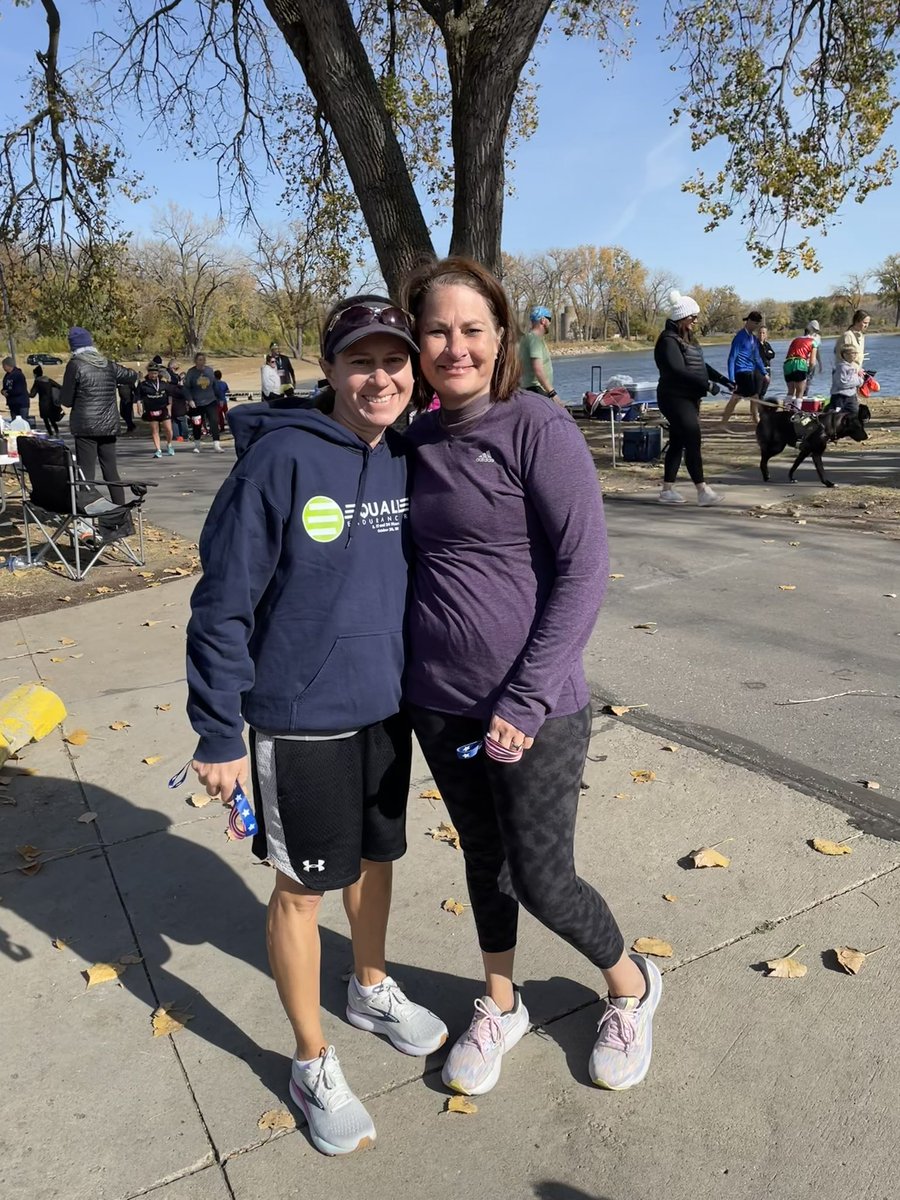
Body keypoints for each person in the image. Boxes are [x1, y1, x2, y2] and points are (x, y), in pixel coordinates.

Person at [186, 294, 447, 1157]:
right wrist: (219, 730)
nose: (381, 378)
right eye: (361, 362)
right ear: (329, 370)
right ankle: (310, 1059)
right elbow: (222, 603)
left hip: (385, 706)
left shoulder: (407, 453)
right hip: (297, 718)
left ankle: (369, 984)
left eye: (394, 362)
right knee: (303, 887)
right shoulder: (280, 461)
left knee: (378, 859)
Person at [402, 256, 662, 1099]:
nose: (454, 345)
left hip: (533, 709)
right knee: (485, 860)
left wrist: (525, 695)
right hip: (437, 704)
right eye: (437, 329)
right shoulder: (410, 440)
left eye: (471, 328)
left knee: (544, 875)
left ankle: (631, 984)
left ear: (501, 335)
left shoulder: (536, 426)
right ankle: (501, 1002)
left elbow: (586, 569)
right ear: (416, 339)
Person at [654, 290, 731, 505]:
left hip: (689, 397)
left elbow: (699, 365)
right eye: (693, 317)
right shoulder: (668, 341)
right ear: (682, 317)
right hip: (673, 398)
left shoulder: (685, 338)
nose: (696, 321)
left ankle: (667, 490)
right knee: (693, 439)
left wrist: (724, 380)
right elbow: (678, 370)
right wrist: (707, 385)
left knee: (678, 441)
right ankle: (702, 490)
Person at [59, 327, 137, 507]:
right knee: (111, 470)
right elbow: (130, 375)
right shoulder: (107, 364)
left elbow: (67, 400)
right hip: (108, 425)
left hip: (86, 426)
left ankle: (88, 515)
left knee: (86, 473)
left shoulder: (75, 364)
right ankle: (120, 512)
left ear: (73, 346)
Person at [722, 310, 768, 427]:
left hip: (750, 372)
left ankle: (725, 422)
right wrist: (731, 379)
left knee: (742, 398)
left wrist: (764, 372)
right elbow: (731, 358)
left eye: (758, 324)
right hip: (741, 372)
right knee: (752, 397)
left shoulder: (752, 338)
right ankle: (757, 422)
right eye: (756, 324)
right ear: (750, 321)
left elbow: (757, 357)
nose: (757, 326)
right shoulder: (740, 337)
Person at [518, 306, 562, 404]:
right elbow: (538, 369)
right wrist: (552, 393)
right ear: (543, 320)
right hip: (536, 390)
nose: (550, 323)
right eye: (549, 319)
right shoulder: (534, 340)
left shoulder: (529, 338)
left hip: (532, 390)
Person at [183, 352, 222, 453]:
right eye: (199, 360)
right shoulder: (191, 372)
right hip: (196, 402)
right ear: (195, 361)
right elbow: (186, 388)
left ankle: (216, 444)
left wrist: (220, 398)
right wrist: (190, 400)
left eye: (203, 360)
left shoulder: (209, 371)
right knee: (197, 424)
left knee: (214, 421)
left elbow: (215, 385)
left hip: (210, 400)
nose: (201, 362)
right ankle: (197, 445)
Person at [138, 364, 175, 457]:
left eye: (155, 373)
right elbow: (138, 397)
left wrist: (169, 408)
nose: (153, 375)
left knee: (169, 429)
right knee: (155, 430)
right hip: (151, 409)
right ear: (148, 373)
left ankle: (169, 444)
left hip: (163, 408)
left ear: (158, 373)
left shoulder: (163, 383)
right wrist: (139, 407)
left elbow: (170, 396)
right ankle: (158, 450)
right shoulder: (143, 384)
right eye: (151, 373)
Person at [782, 323, 821, 411]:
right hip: (800, 363)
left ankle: (786, 412)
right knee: (800, 393)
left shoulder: (795, 339)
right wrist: (809, 371)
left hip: (788, 363)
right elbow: (812, 362)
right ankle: (797, 413)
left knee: (790, 391)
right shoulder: (813, 341)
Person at [829, 345, 865, 415]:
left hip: (851, 396)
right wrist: (859, 380)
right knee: (836, 416)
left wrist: (861, 377)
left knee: (855, 413)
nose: (855, 355)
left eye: (856, 353)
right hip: (840, 396)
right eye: (853, 353)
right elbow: (842, 383)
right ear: (845, 354)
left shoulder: (853, 367)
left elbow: (857, 383)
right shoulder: (841, 367)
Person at [29, 365, 63, 436]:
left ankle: (51, 434)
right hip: (51, 403)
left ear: (35, 374)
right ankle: (57, 432)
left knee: (46, 420)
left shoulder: (37, 382)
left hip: (43, 404)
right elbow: (59, 387)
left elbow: (32, 395)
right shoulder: (48, 380)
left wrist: (25, 393)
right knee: (52, 419)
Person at [2, 357, 30, 421]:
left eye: (3, 366)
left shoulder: (18, 375)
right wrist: (2, 391)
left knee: (23, 422)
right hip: (12, 403)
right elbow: (5, 387)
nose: (3, 367)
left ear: (8, 365)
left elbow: (19, 390)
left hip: (21, 403)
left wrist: (8, 392)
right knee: (14, 423)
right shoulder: (7, 375)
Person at [757, 325, 776, 404]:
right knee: (758, 391)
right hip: (759, 370)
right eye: (760, 333)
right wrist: (766, 353)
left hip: (767, 369)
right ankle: (757, 409)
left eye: (763, 333)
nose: (761, 335)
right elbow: (760, 356)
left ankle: (760, 406)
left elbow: (772, 355)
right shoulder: (755, 344)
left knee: (764, 390)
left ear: (766, 334)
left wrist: (766, 353)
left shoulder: (767, 345)